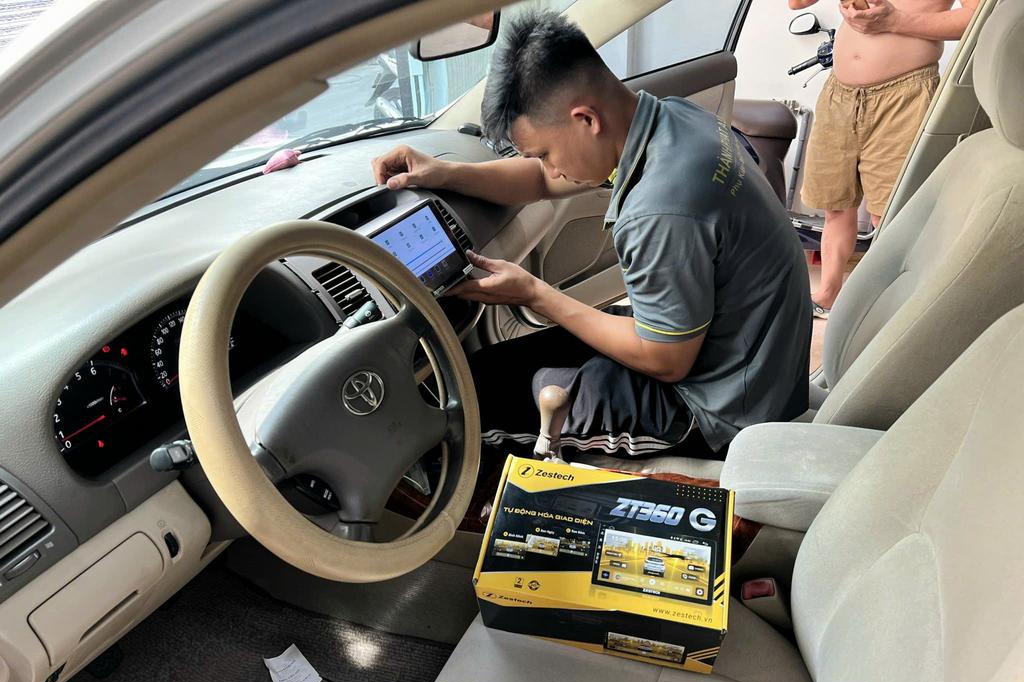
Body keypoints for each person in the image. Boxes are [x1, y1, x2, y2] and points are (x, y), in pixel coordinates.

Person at [372, 10, 810, 459]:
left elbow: (665, 362)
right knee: (488, 371)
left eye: (544, 152)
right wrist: (444, 173)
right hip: (749, 362)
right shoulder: (672, 120)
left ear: (585, 119)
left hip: (717, 409)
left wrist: (535, 294)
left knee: (462, 415)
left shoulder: (660, 209)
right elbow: (542, 181)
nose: (548, 167)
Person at [791, 0, 980, 318]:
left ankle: (891, 306)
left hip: (905, 95)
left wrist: (895, 22)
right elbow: (796, 3)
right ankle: (828, 293)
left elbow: (978, 17)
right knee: (836, 205)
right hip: (839, 93)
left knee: (891, 215)